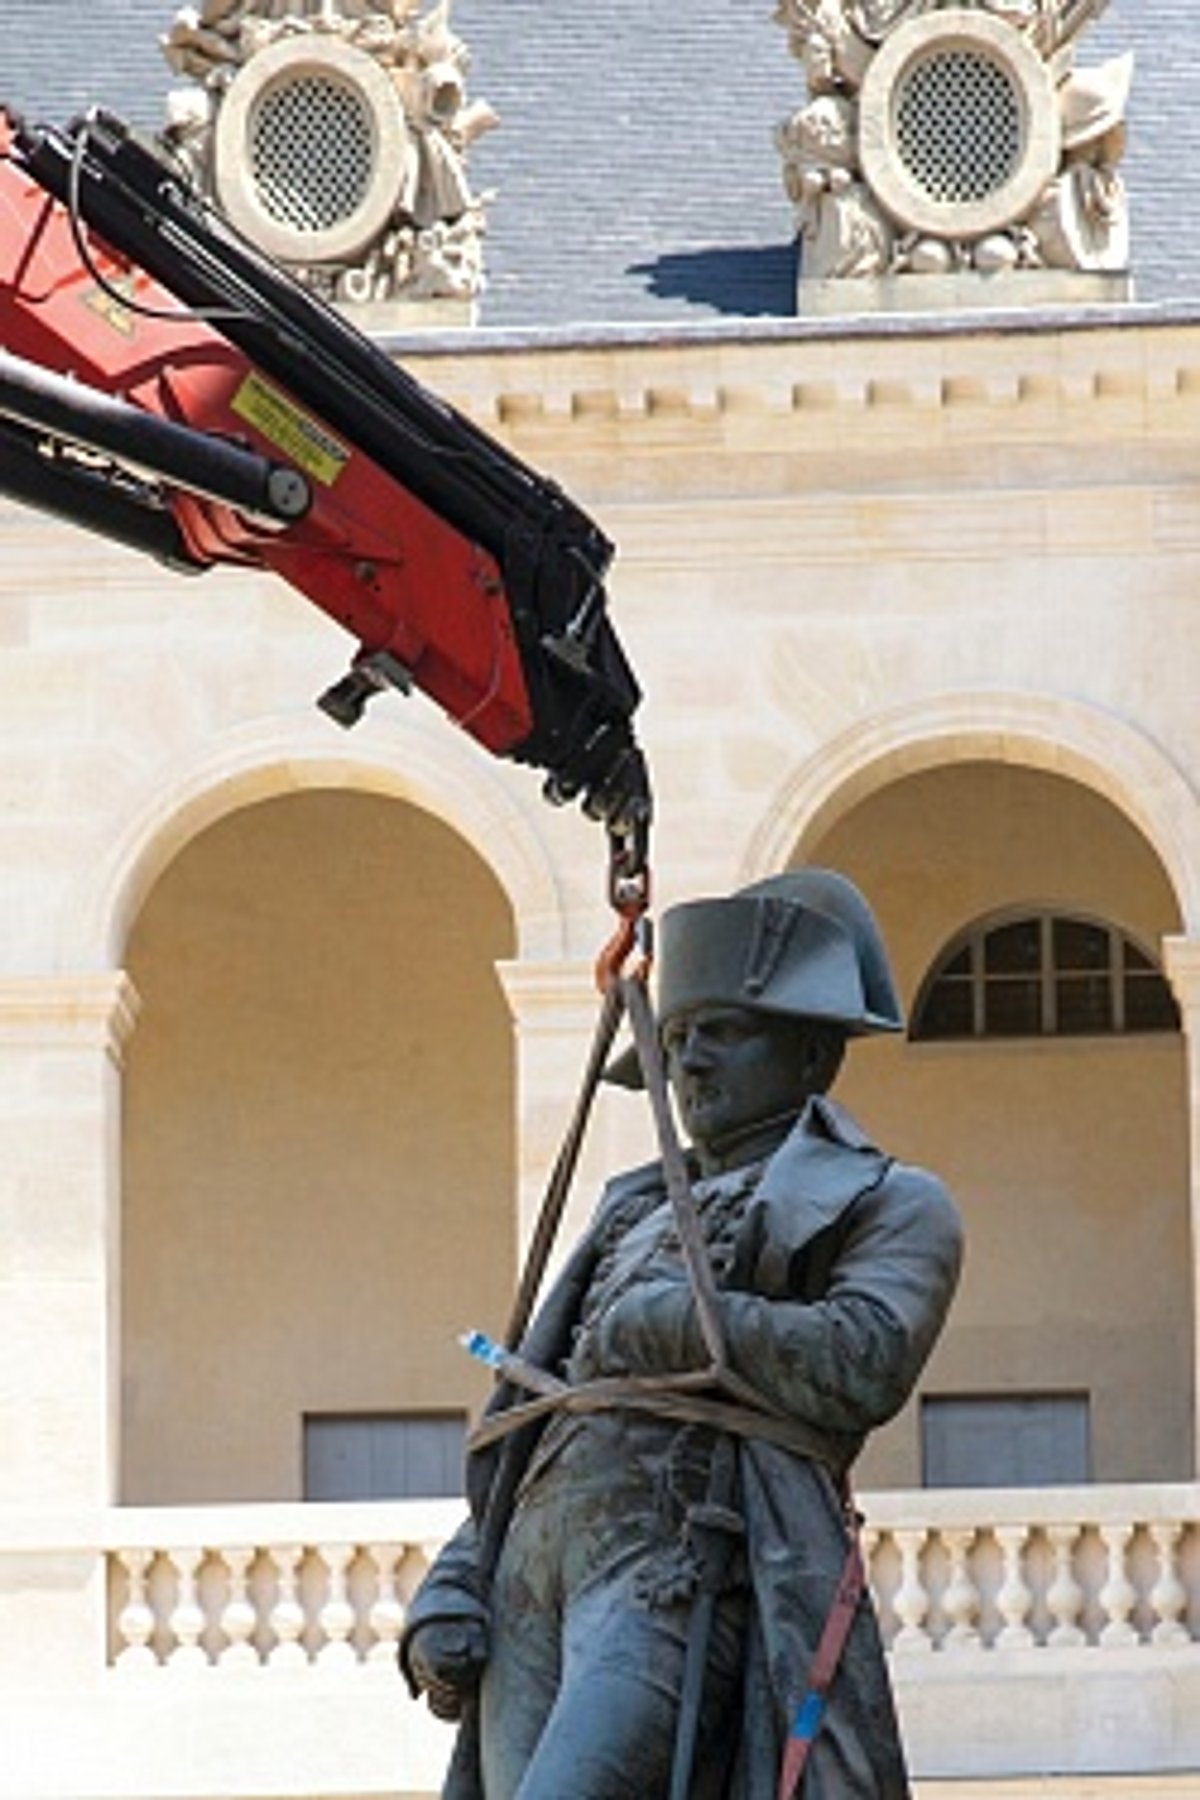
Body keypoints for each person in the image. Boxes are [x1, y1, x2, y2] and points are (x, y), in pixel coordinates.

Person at [400, 870, 964, 1798]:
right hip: (531, 1573)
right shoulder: (625, 1211)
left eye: (723, 1034)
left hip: (672, 1567)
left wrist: (671, 1323)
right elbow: (538, 1414)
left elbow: (864, 1361)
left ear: (812, 1057)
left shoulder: (892, 1200)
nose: (689, 1061)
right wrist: (456, 1579)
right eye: (675, 1038)